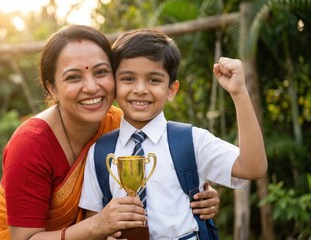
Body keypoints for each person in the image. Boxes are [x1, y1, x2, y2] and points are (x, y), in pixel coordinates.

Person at [0, 25, 221, 240]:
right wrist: (97, 226)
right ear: (52, 88)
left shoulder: (122, 125)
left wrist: (200, 196)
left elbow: (166, 170)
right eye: (73, 77)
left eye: (101, 72)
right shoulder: (31, 144)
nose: (91, 87)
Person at [79, 29, 268, 239]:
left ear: (171, 90)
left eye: (154, 80)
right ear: (114, 85)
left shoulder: (192, 141)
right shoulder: (100, 152)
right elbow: (92, 223)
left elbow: (253, 167)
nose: (140, 89)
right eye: (128, 78)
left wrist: (239, 93)